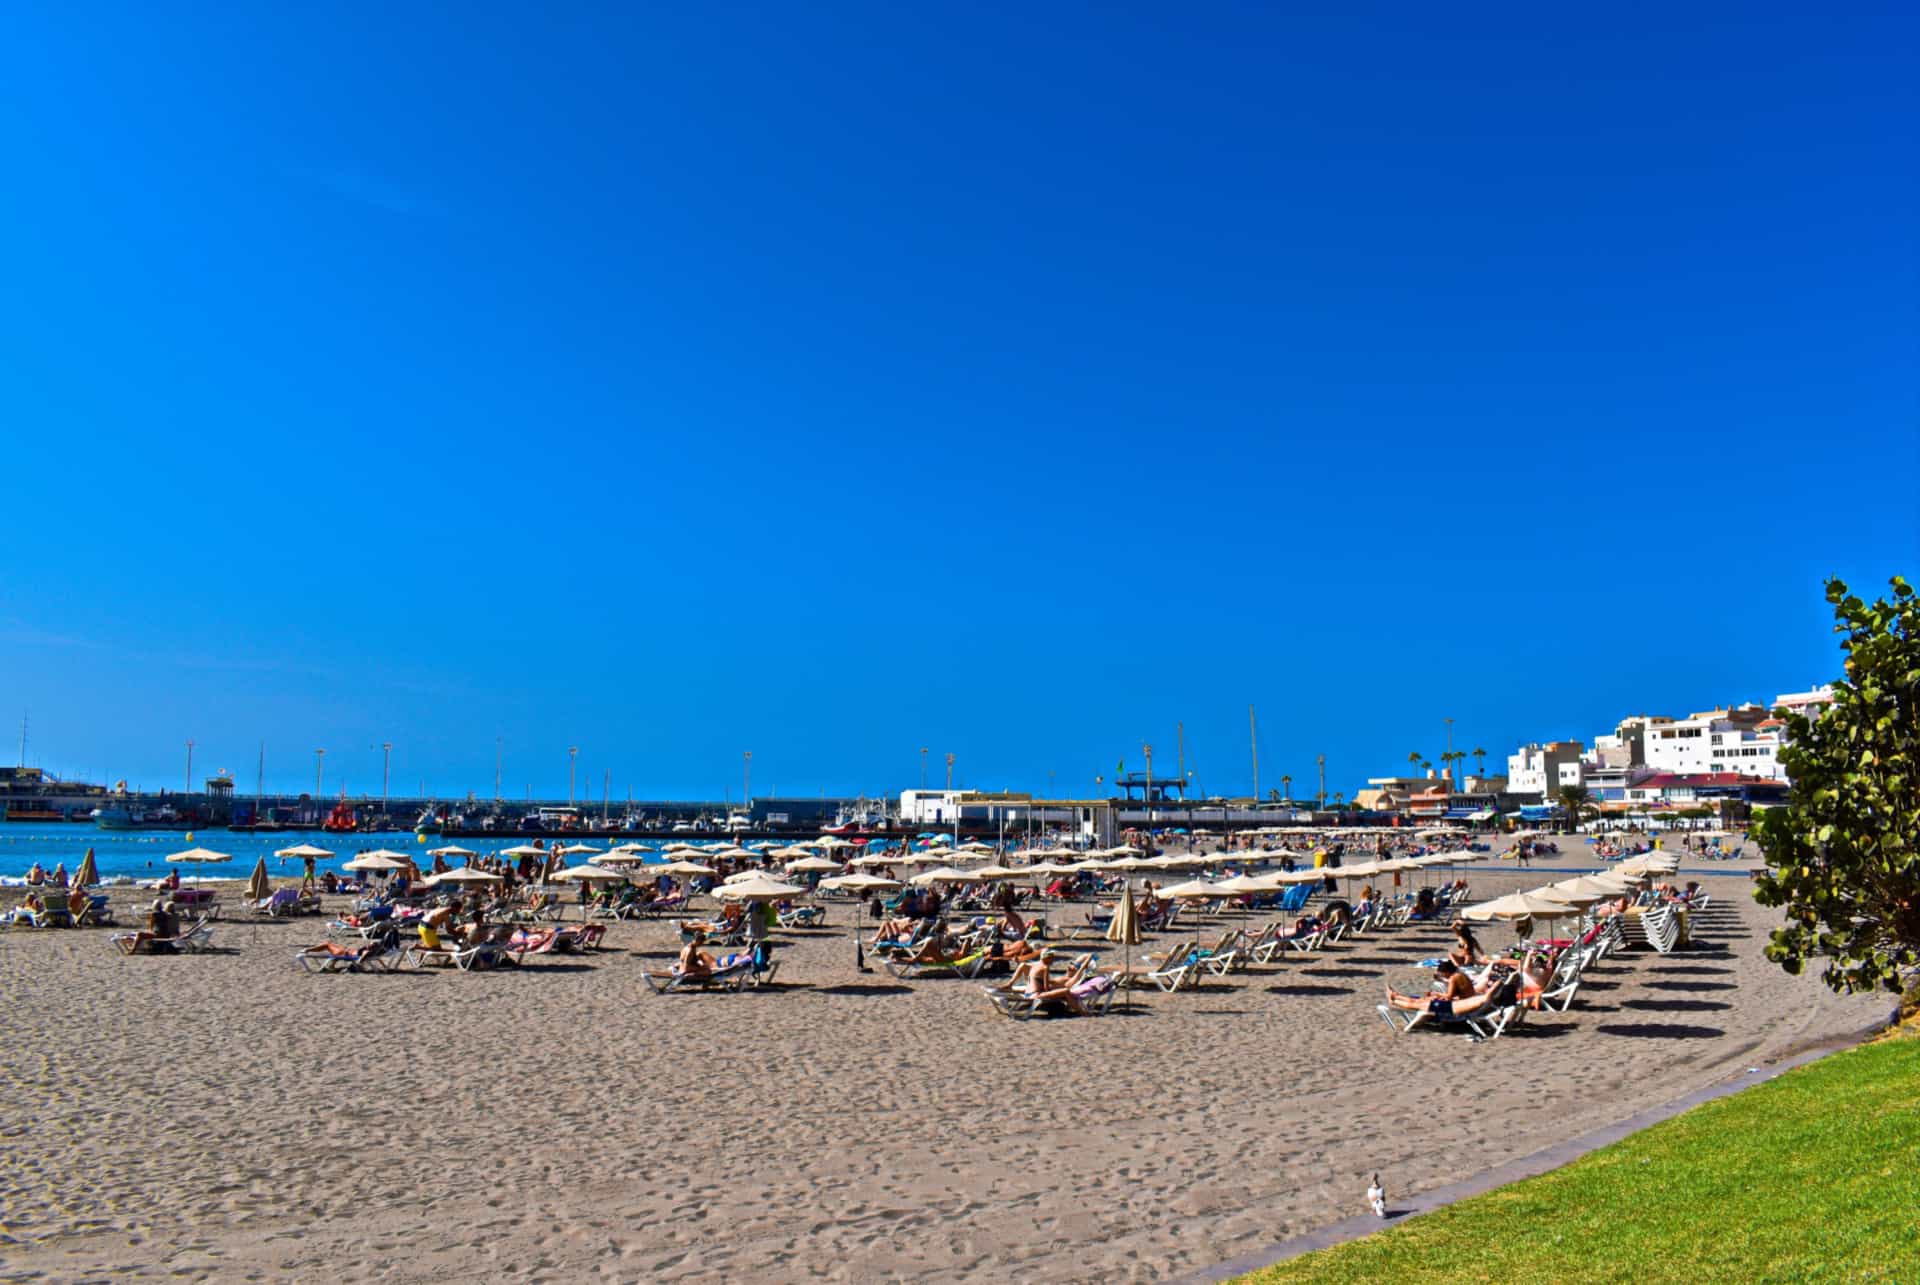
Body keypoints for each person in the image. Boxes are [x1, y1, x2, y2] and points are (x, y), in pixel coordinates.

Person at [1383, 961, 1491, 1019]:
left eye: (1442, 973)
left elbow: (1448, 996)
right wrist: (1439, 993)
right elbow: (1458, 992)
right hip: (1463, 1002)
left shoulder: (1453, 978)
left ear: (1447, 971)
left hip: (1457, 1006)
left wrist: (1438, 994)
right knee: (1421, 1000)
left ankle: (1394, 999)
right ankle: (1396, 996)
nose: (1442, 975)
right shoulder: (1461, 975)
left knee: (1419, 1002)